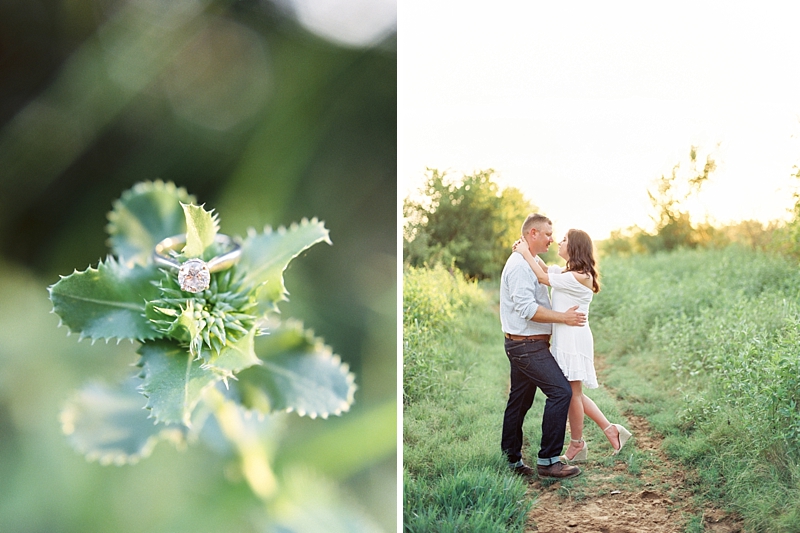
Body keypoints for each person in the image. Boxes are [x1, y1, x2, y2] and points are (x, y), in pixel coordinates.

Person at [513, 229, 631, 462]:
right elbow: (546, 270)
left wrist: (525, 253)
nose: (559, 241)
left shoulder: (580, 276)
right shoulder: (570, 272)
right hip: (567, 337)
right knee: (573, 393)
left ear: (575, 247)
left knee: (572, 394)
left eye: (564, 240)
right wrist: (529, 248)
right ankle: (608, 431)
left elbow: (543, 278)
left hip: (573, 340)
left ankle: (579, 444)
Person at [500, 213, 586, 480]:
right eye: (548, 233)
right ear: (533, 234)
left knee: (520, 401)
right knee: (561, 392)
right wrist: (563, 318)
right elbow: (527, 309)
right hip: (526, 347)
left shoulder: (529, 262)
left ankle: (511, 460)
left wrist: (526, 253)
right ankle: (549, 461)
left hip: (526, 344)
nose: (551, 238)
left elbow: (545, 274)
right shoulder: (518, 266)